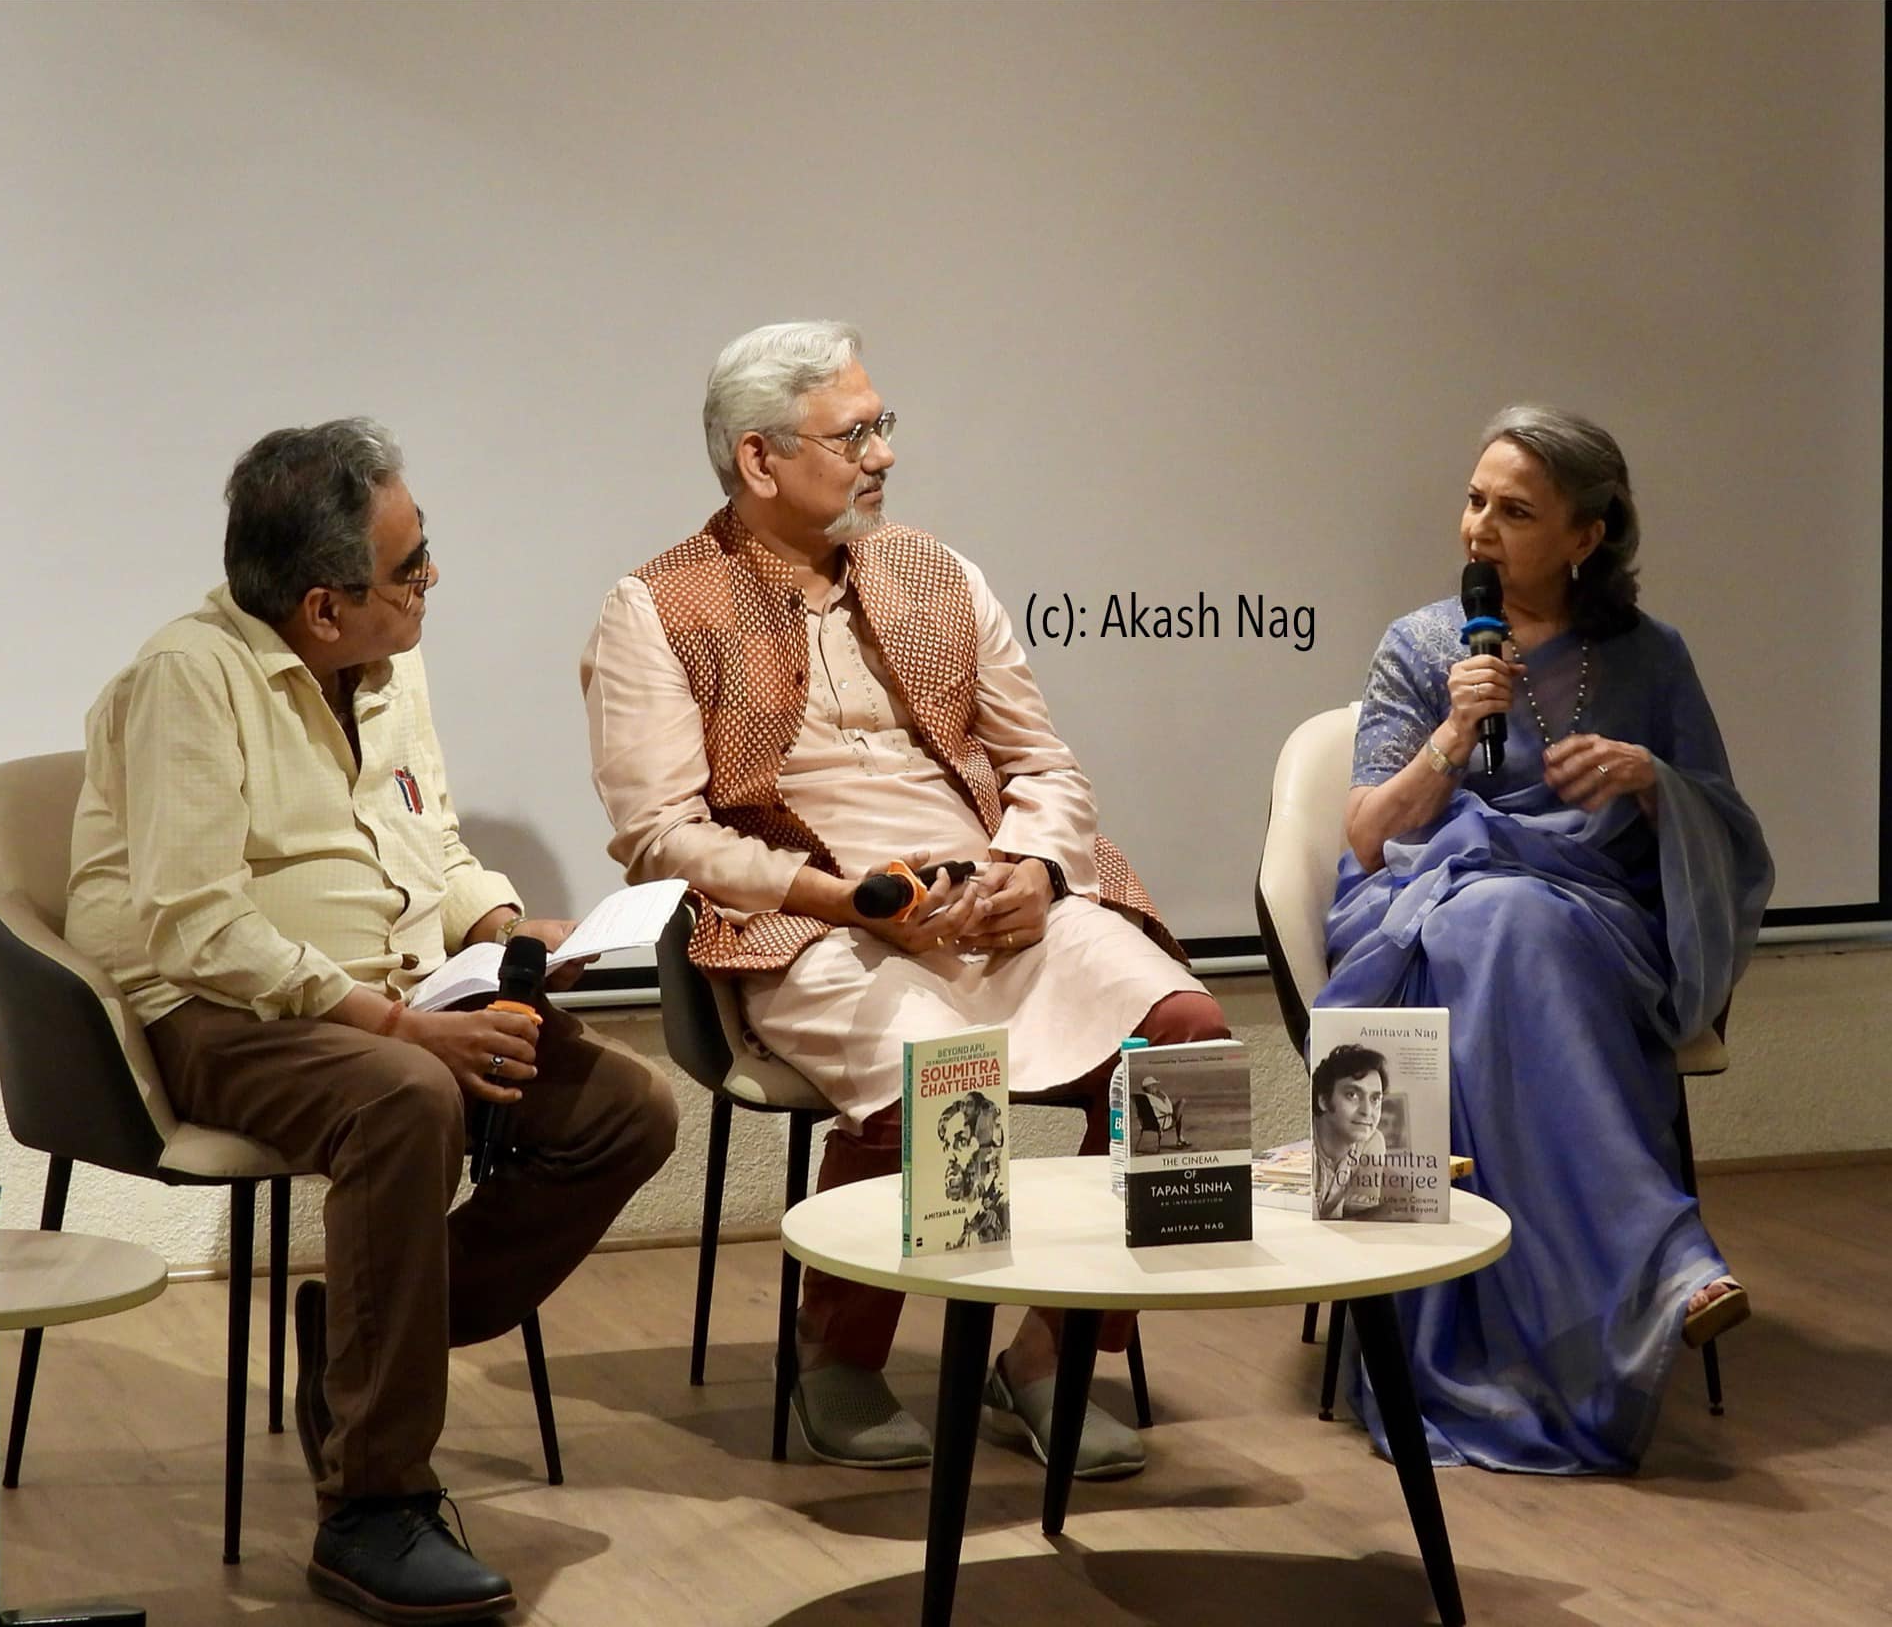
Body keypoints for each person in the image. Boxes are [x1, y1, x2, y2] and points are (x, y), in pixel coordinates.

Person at [580, 321, 1227, 1480]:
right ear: (760, 457)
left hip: (991, 900)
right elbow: (660, 833)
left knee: (1190, 1045)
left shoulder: (938, 571)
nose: (883, 454)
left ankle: (1054, 1353)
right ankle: (840, 1353)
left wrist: (1035, 869)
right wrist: (841, 898)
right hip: (812, 917)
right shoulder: (658, 604)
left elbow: (1043, 764)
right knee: (942, 1070)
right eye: (854, 434)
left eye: (883, 426)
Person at [66, 419, 676, 1622]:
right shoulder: (188, 678)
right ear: (322, 606)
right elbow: (198, 928)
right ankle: (371, 1507)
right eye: (411, 566)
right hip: (220, 1013)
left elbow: (428, 844)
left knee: (626, 1109)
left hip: (394, 998)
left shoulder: (391, 666)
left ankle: (354, 1342)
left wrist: (505, 927)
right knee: (410, 1098)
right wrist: (397, 1030)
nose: (431, 580)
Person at [1318, 404, 1772, 1473]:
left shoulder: (1652, 658)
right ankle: (1660, 1260)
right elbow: (1370, 834)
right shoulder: (1420, 645)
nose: (1478, 527)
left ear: (1586, 536)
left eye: (1514, 512)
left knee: (1516, 926)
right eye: (1475, 499)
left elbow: (1727, 829)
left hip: (1592, 920)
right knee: (1494, 918)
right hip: (1426, 904)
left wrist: (1649, 782)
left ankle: (1597, 1306)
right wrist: (1450, 734)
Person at [1310, 1044, 1388, 1218]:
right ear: (1323, 1101)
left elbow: (1361, 1217)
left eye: (1375, 1099)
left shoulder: (1372, 1141)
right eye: (1352, 1095)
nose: (1367, 1111)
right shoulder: (1308, 1144)